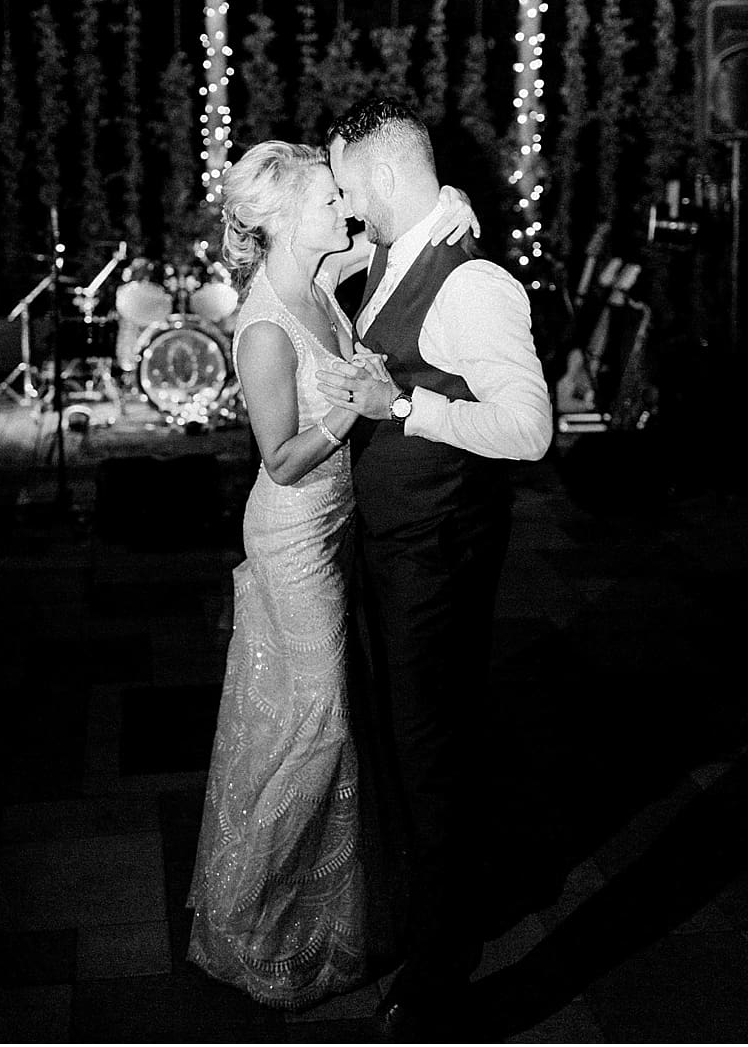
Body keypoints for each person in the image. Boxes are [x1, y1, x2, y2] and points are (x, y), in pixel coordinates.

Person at [187, 142, 478, 1010]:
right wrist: (351, 411)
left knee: (317, 712)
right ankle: (261, 918)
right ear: (276, 218)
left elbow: (402, 232)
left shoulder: (320, 270)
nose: (345, 211)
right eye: (327, 198)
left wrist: (450, 193)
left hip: (340, 527)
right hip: (292, 534)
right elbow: (278, 460)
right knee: (315, 718)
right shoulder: (266, 324)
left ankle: (323, 909)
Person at [314, 95, 552, 1037]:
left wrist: (402, 409)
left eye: (343, 182)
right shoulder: (386, 258)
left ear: (376, 174)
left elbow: (529, 431)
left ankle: (443, 962)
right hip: (392, 547)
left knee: (432, 754)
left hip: (439, 555)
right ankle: (430, 915)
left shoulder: (471, 286)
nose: (339, 200)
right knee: (409, 748)